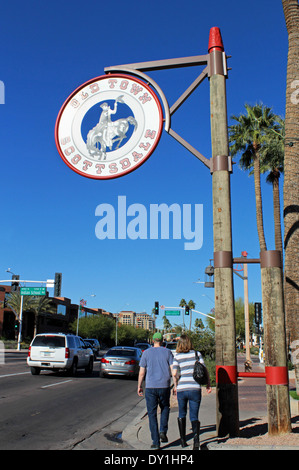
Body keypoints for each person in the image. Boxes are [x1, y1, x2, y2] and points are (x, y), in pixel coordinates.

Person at [172, 334, 212, 450]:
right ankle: (196, 440)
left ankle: (183, 441)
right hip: (195, 387)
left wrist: (176, 386)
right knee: (194, 415)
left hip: (182, 389)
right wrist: (208, 384)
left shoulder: (177, 356)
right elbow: (204, 370)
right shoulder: (196, 354)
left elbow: (174, 374)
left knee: (181, 413)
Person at [137, 332, 174, 449]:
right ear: (162, 341)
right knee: (165, 408)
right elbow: (173, 370)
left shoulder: (146, 353)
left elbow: (142, 372)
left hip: (150, 387)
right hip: (164, 386)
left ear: (153, 341)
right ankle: (163, 430)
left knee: (152, 414)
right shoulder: (168, 352)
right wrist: (176, 385)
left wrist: (139, 386)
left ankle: (155, 442)